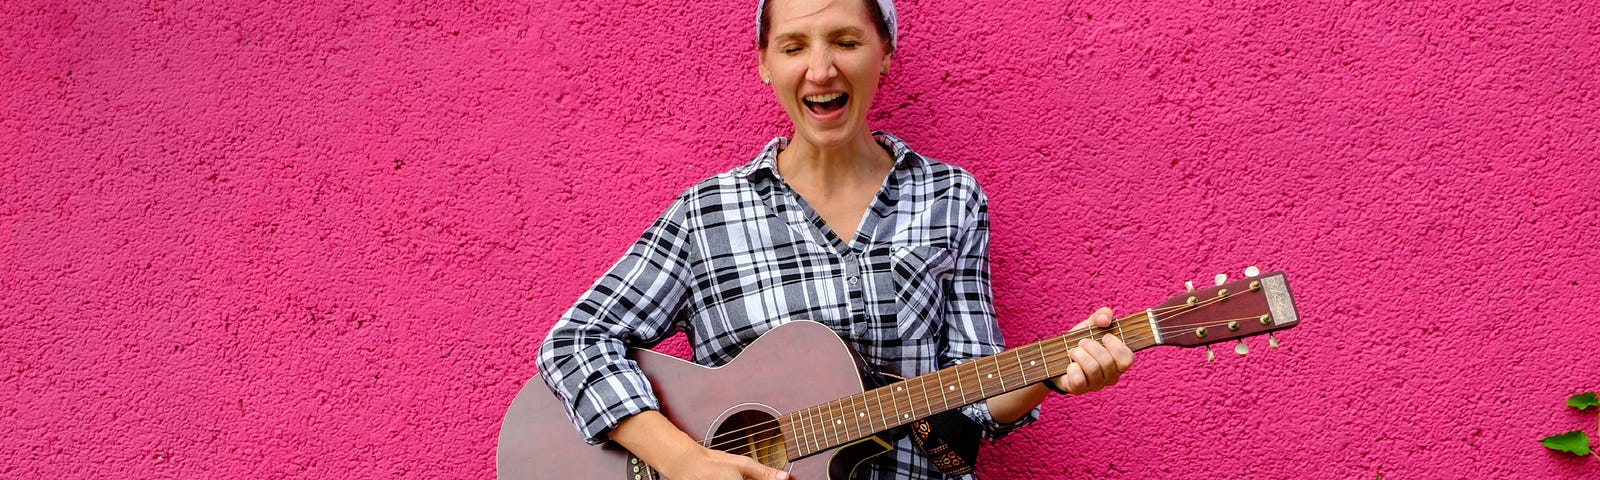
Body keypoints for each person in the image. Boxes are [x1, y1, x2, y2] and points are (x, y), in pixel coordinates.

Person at [536, 0, 1135, 478]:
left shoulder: (950, 199)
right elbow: (574, 343)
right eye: (794, 46)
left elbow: (973, 393)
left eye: (846, 41)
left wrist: (1052, 372)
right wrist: (682, 459)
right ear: (764, 63)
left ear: (885, 53)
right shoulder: (708, 213)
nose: (821, 70)